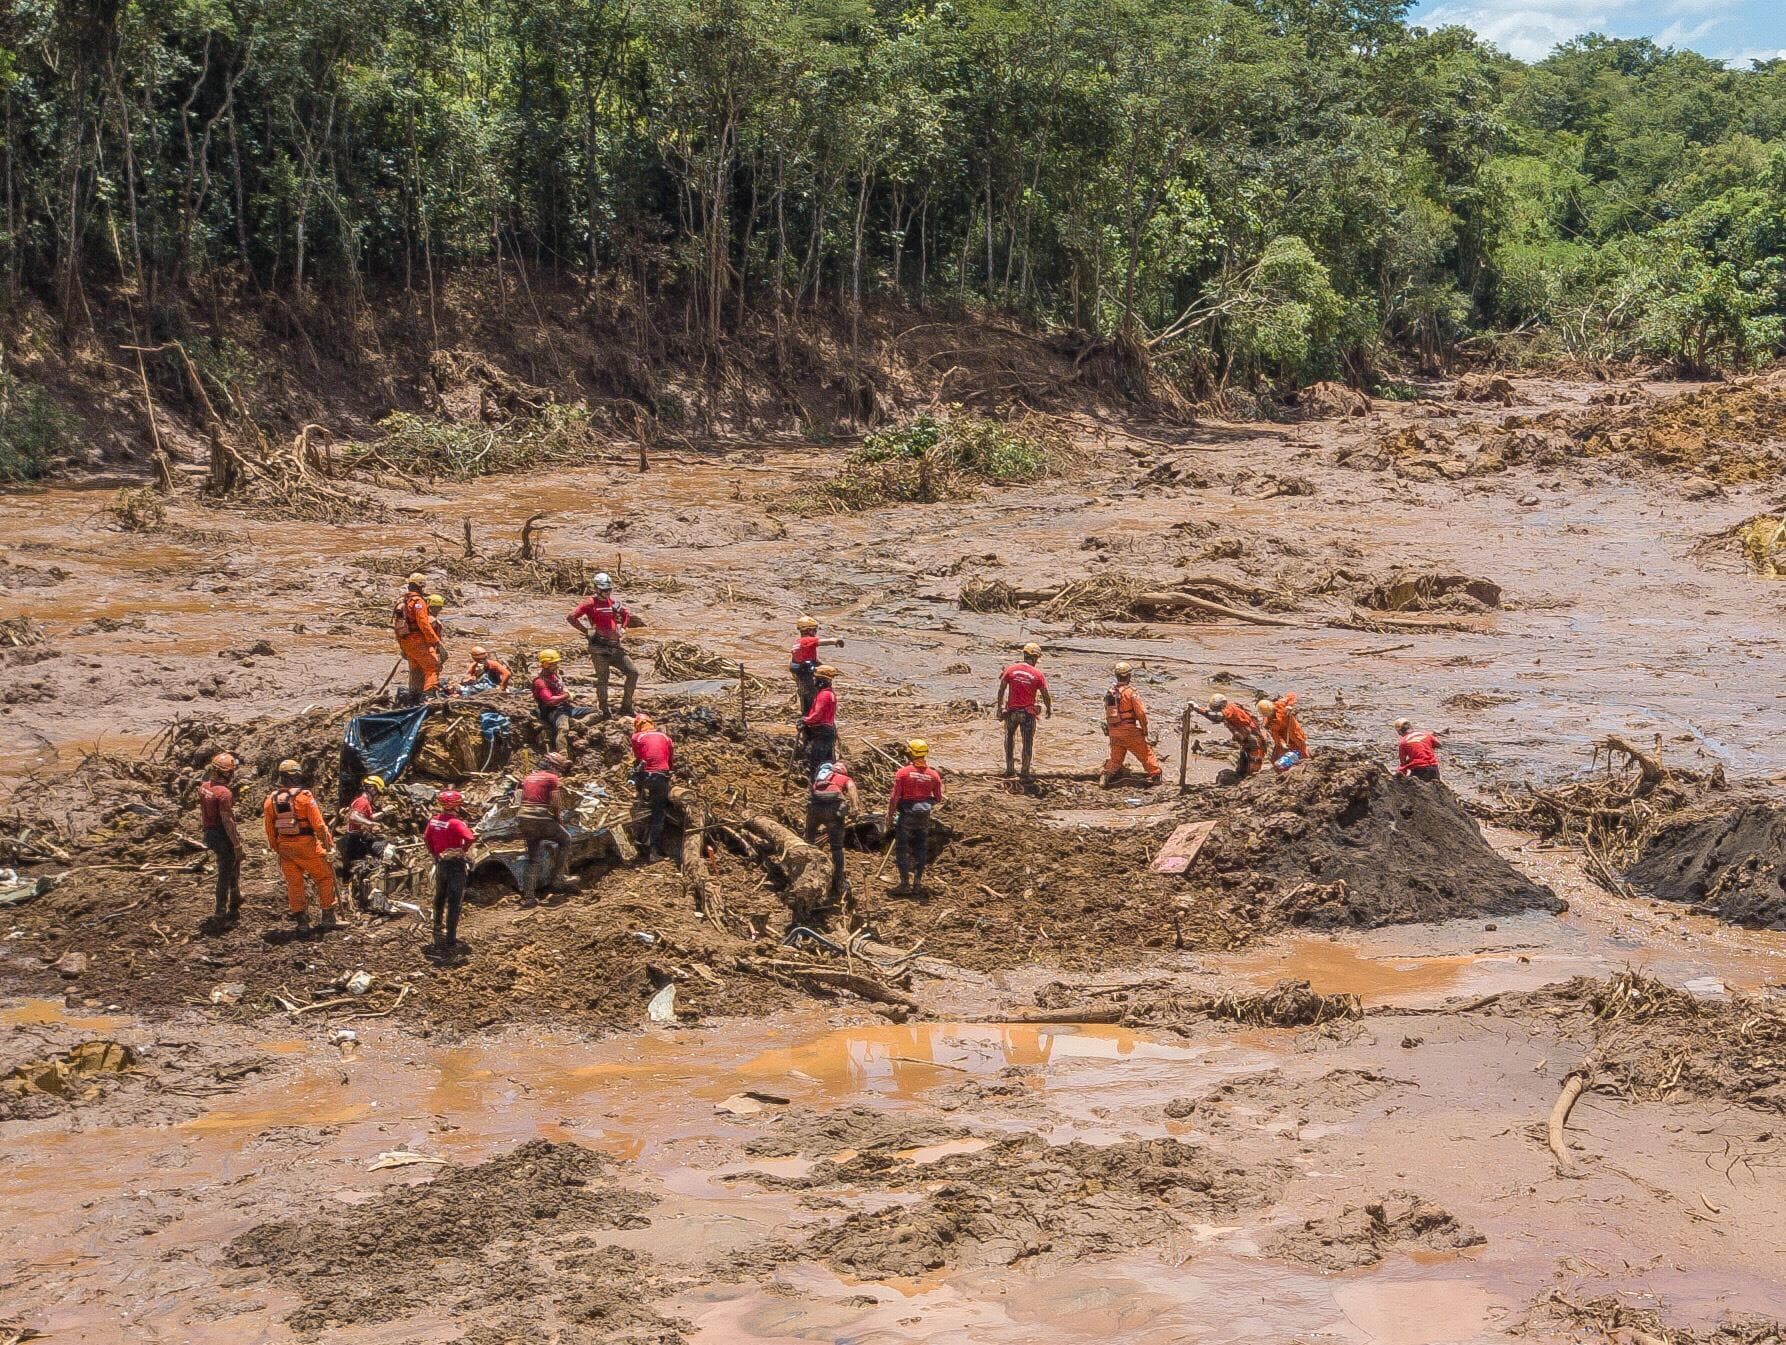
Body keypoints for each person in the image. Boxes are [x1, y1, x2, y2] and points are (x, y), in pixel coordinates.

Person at [262, 759, 338, 933]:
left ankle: (302, 922)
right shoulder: (304, 798)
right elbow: (319, 826)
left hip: (285, 848)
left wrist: (277, 848)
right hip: (306, 846)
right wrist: (329, 847)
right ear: (295, 776)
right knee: (324, 877)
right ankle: (328, 917)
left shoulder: (270, 800)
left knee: (294, 884)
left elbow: (269, 829)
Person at [565, 573, 637, 718]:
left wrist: (623, 628)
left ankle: (627, 706)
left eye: (609, 590)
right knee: (603, 679)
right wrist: (586, 630)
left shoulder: (614, 603)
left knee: (633, 673)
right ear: (596, 589)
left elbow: (627, 614)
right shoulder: (590, 603)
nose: (607, 593)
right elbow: (571, 617)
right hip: (598, 648)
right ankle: (604, 710)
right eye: (604, 590)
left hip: (615, 647)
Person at [885, 739, 944, 897]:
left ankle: (904, 884)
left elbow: (894, 797)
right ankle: (917, 883)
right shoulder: (934, 775)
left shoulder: (903, 773)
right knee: (920, 848)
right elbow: (938, 798)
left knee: (902, 849)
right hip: (923, 816)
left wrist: (889, 815)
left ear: (910, 754)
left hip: (906, 815)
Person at [516, 752, 576, 903]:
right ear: (554, 766)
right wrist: (558, 820)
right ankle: (558, 878)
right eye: (559, 769)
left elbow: (520, 798)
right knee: (566, 840)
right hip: (539, 817)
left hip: (523, 818)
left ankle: (529, 896)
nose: (560, 772)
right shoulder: (552, 778)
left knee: (534, 858)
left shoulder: (529, 777)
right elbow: (555, 803)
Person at [424, 789, 476, 954]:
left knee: (440, 895)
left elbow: (426, 838)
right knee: (454, 901)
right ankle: (451, 941)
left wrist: (435, 854)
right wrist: (462, 850)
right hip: (455, 865)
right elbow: (470, 838)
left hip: (441, 862)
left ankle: (437, 925)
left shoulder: (433, 821)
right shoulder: (456, 823)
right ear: (456, 806)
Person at [197, 752, 243, 924]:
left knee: (232, 863)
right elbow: (227, 820)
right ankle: (221, 909)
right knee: (225, 870)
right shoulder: (224, 793)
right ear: (227, 773)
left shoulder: (204, 786)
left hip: (209, 832)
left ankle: (236, 895)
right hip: (221, 834)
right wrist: (237, 844)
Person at [805, 760, 860, 903]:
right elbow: (852, 789)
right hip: (833, 812)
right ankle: (839, 880)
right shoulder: (845, 779)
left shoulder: (821, 777)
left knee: (809, 841)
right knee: (836, 847)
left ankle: (809, 871)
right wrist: (855, 809)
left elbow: (811, 793)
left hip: (814, 809)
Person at [1100, 663, 1162, 787]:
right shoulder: (1131, 693)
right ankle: (1156, 778)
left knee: (1115, 759)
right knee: (1146, 754)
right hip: (1129, 731)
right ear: (1128, 676)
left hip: (1114, 731)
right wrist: (1144, 729)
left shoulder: (1110, 693)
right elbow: (1141, 713)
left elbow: (1107, 712)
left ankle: (1106, 776)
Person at [997, 643, 1052, 781]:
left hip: (1011, 712)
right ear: (1034, 658)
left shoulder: (1011, 669)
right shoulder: (1038, 675)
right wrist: (1049, 709)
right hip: (1027, 714)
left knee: (1009, 740)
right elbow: (1045, 695)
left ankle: (1010, 770)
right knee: (1027, 742)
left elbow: (1001, 689)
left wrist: (1000, 707)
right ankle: (1025, 772)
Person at [630, 714, 676, 861]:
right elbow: (670, 761)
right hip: (660, 776)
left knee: (636, 768)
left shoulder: (636, 737)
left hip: (644, 777)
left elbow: (638, 758)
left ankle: (640, 795)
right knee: (658, 813)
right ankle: (654, 851)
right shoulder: (665, 737)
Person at [392, 573, 444, 703]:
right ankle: (429, 697)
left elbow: (397, 626)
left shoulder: (402, 601)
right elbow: (423, 624)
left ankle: (413, 697)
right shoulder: (418, 602)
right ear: (420, 586)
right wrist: (435, 641)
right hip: (417, 640)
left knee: (415, 669)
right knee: (432, 666)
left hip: (406, 642)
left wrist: (402, 646)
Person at [1199, 695, 1267, 783]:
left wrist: (1198, 710)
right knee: (1242, 769)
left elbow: (1217, 718)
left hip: (1254, 742)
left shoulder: (1230, 710)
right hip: (1246, 742)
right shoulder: (1231, 708)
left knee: (1253, 770)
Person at [337, 774, 387, 892]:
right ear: (372, 789)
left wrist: (383, 812)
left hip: (357, 838)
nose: (377, 795)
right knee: (360, 865)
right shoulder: (362, 802)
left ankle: (353, 888)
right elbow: (354, 817)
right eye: (377, 792)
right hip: (355, 839)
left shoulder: (363, 802)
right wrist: (370, 824)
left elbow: (368, 817)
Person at [789, 615, 844, 713]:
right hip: (806, 672)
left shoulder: (798, 643)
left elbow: (805, 658)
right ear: (809, 630)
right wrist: (835, 640)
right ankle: (812, 714)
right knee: (812, 693)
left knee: (805, 693)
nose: (815, 632)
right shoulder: (807, 640)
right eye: (814, 630)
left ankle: (806, 712)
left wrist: (821, 665)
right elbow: (822, 642)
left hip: (799, 672)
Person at [531, 649, 576, 754]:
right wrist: (567, 695)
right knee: (563, 728)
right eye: (554, 664)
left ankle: (574, 723)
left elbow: (561, 688)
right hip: (552, 711)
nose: (557, 666)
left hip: (565, 708)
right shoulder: (540, 682)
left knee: (597, 713)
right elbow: (550, 701)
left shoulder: (554, 676)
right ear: (546, 664)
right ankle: (562, 754)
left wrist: (565, 693)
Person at [798, 664, 839, 778]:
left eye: (816, 678)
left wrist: (804, 720)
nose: (814, 680)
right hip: (828, 731)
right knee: (827, 762)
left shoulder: (824, 695)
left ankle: (815, 787)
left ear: (822, 680)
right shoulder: (830, 694)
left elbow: (817, 715)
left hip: (821, 733)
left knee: (815, 762)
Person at [1257, 695, 1309, 768]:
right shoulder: (1269, 723)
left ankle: (1307, 762)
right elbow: (1275, 735)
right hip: (1284, 737)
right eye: (1267, 714)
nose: (1270, 714)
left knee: (1303, 751)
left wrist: (1289, 706)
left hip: (1294, 731)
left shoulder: (1280, 704)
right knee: (1277, 759)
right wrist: (1282, 744)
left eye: (1271, 711)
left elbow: (1292, 696)